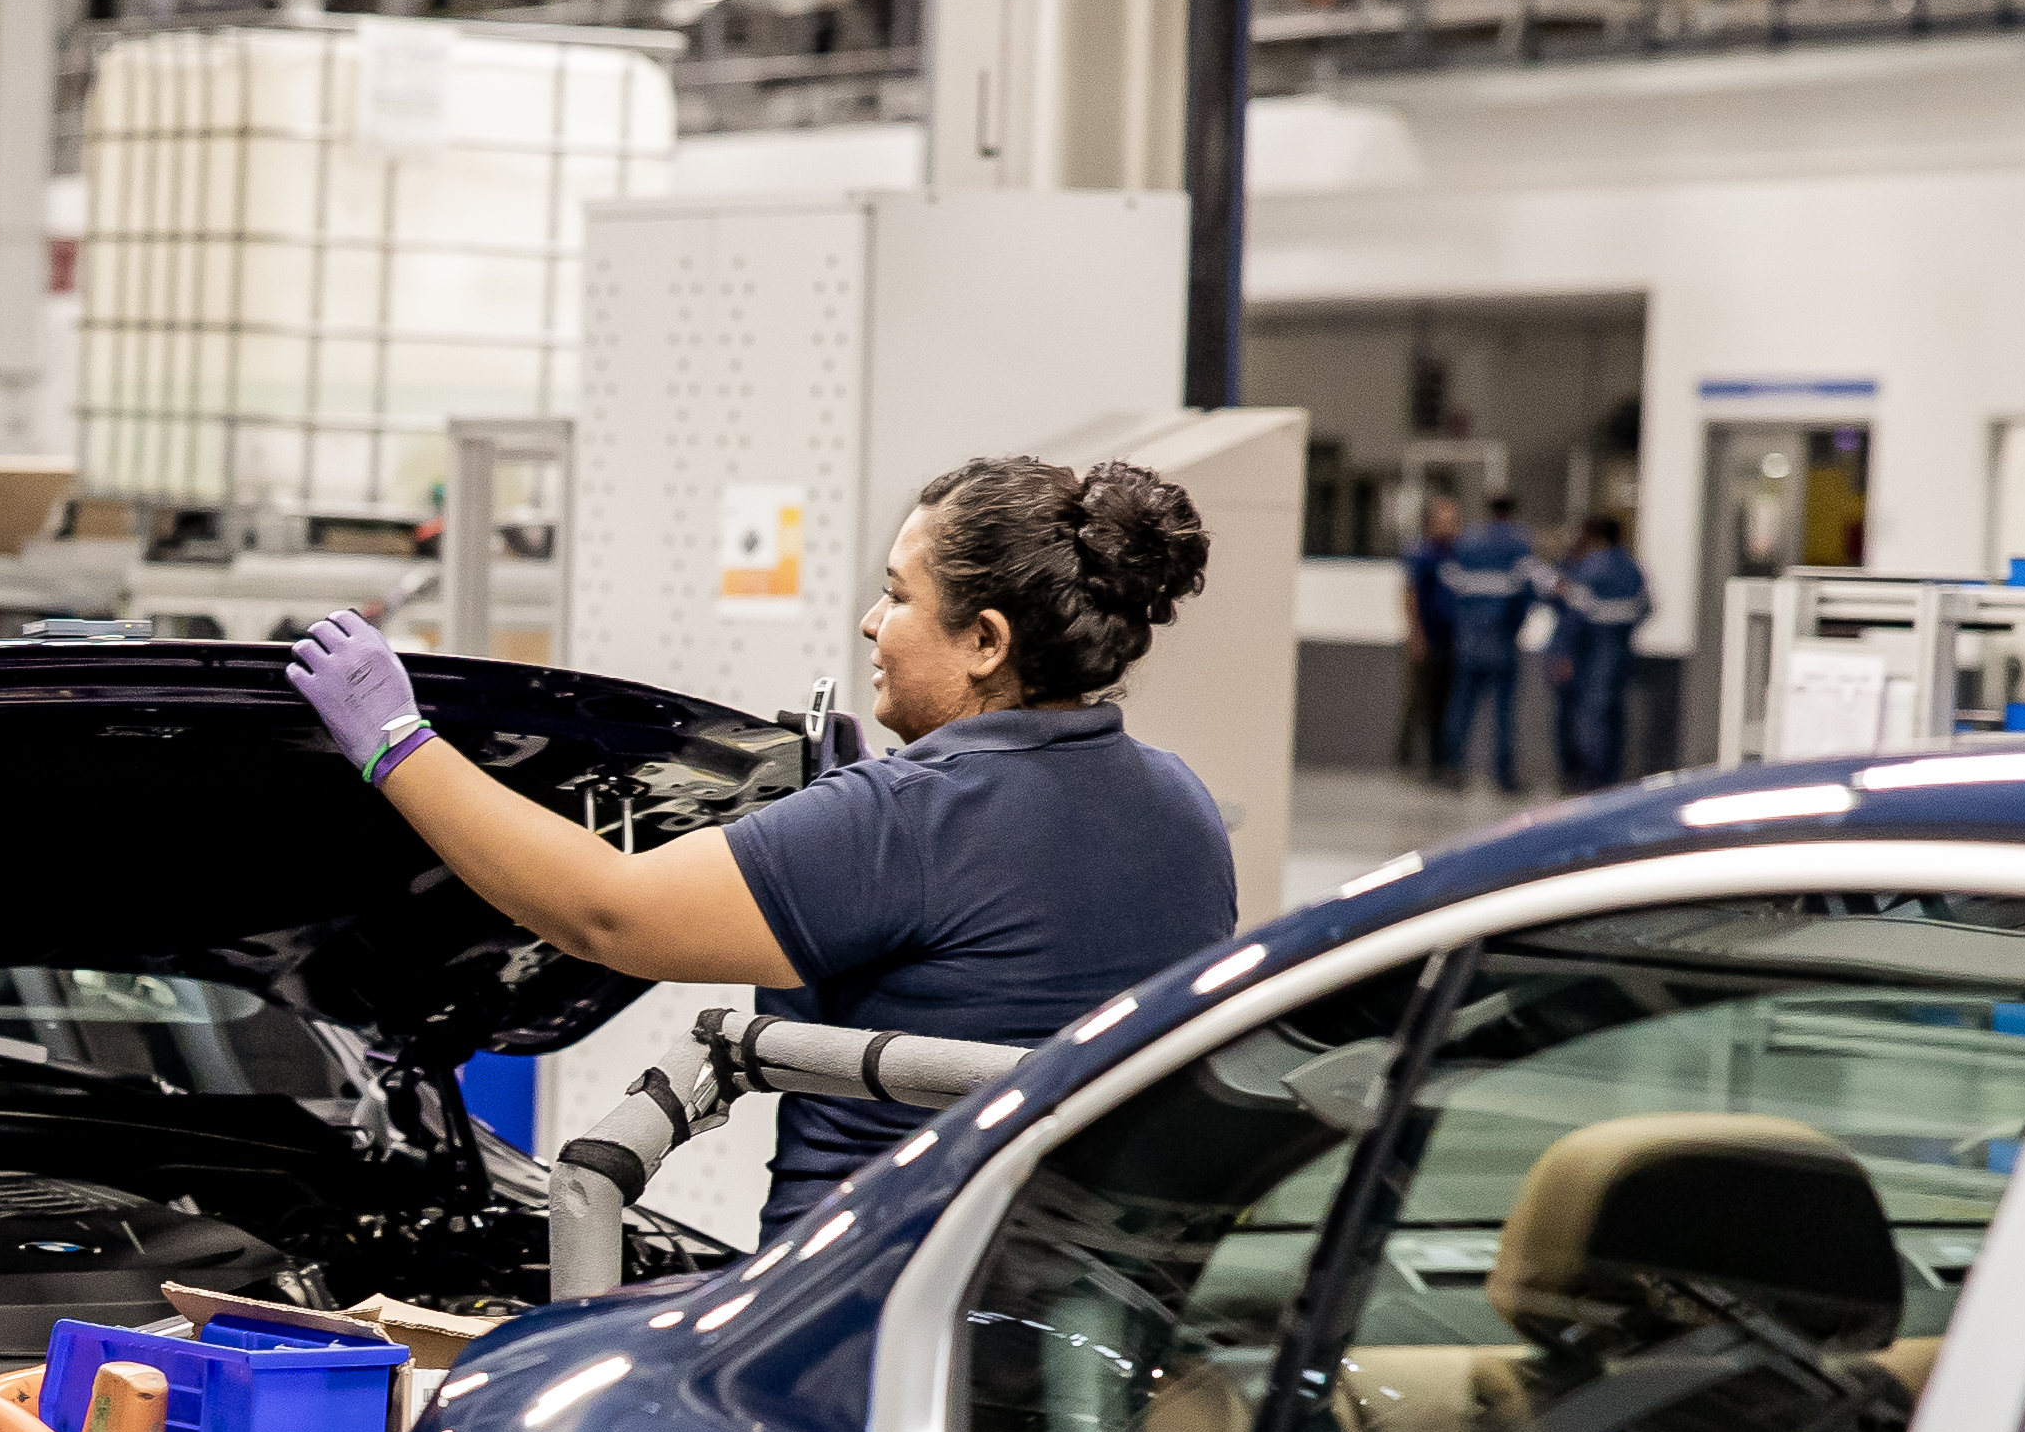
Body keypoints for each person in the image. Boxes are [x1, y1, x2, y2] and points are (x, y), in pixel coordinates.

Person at [284, 453, 1236, 1245]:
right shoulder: (1181, 805)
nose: (872, 621)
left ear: (985, 640)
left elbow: (603, 911)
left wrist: (396, 744)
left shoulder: (910, 819)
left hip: (853, 1301)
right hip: (1064, 1289)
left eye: (898, 597)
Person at [1433, 490, 1549, 794]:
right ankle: (1504, 776)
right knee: (1504, 711)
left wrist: (1460, 626)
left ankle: (1452, 768)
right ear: (1511, 511)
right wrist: (1515, 626)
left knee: (1462, 706)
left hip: (1469, 641)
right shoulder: (1518, 543)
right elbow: (1531, 590)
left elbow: (1447, 588)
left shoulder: (1468, 542)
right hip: (1502, 641)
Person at [1547, 514, 1652, 789]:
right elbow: (1646, 607)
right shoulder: (1631, 568)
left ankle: (1593, 778)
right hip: (1621, 649)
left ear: (1594, 537)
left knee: (1593, 715)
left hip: (1592, 650)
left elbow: (1574, 614)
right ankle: (1611, 775)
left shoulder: (1590, 567)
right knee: (1615, 713)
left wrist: (1565, 652)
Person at [1396, 491, 1463, 778]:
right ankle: (1406, 760)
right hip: (1426, 636)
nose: (1450, 525)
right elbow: (1411, 595)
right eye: (1445, 520)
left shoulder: (1458, 554)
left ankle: (1438, 762)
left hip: (1451, 638)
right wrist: (1416, 635)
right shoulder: (1420, 553)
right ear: (1431, 522)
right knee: (1418, 701)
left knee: (1444, 704)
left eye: (1453, 520)